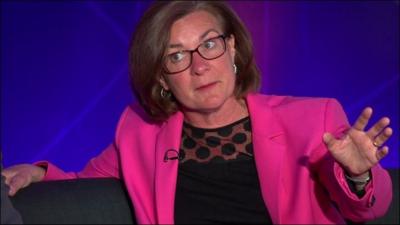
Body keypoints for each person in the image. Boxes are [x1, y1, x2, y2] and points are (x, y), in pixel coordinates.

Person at [1, 1, 393, 224]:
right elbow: (84, 182)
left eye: (209, 45)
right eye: (176, 56)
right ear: (161, 78)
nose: (199, 66)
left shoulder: (313, 118)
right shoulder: (139, 131)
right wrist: (38, 171)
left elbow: (372, 208)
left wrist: (358, 175)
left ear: (233, 49)